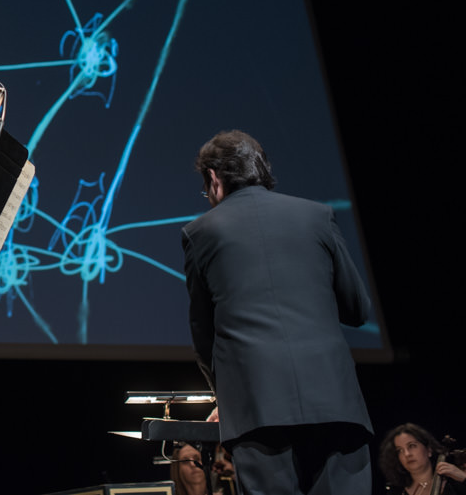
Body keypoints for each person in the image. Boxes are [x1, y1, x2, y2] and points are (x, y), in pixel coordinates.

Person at [181, 129, 373, 494]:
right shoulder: (317, 216)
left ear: (214, 179)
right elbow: (357, 309)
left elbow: (203, 335)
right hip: (335, 403)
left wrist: (225, 397)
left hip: (257, 412)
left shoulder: (200, 233)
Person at [379, 423, 466, 495]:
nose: (407, 454)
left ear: (429, 450)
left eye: (412, 446)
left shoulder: (455, 487)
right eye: (400, 450)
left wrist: (464, 478)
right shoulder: (395, 491)